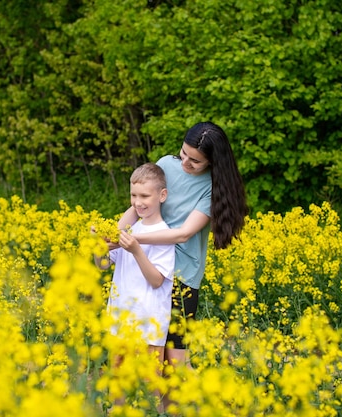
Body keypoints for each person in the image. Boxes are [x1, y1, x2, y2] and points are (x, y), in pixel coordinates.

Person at [117, 121, 247, 409]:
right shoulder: (167, 164)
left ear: (212, 162)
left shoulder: (214, 188)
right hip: (149, 267)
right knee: (153, 357)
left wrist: (134, 239)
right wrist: (116, 231)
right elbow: (139, 203)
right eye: (183, 154)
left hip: (180, 279)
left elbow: (184, 233)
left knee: (176, 362)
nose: (185, 162)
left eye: (195, 160)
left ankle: (213, 408)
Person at [95, 162, 175, 407]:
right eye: (133, 195)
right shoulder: (129, 229)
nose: (138, 202)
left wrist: (137, 250)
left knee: (150, 384)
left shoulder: (164, 234)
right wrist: (98, 247)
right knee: (117, 379)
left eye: (144, 196)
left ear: (162, 195)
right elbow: (103, 265)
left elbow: (156, 280)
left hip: (149, 326)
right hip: (120, 322)